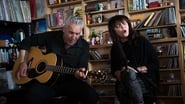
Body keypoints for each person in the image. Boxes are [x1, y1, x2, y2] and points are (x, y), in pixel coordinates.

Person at [15, 16, 98, 104]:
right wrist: (23, 62)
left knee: (92, 96)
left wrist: (80, 74)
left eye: (77, 34)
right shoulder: (51, 36)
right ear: (63, 29)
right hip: (47, 83)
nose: (73, 37)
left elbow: (82, 67)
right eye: (71, 33)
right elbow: (27, 41)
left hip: (70, 83)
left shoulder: (84, 45)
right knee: (29, 96)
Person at [108, 15, 160, 104]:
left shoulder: (141, 41)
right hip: (124, 83)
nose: (122, 27)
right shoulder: (115, 47)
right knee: (127, 75)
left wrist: (137, 69)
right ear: (114, 31)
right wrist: (119, 73)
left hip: (144, 80)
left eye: (124, 24)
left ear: (128, 25)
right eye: (118, 26)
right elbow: (114, 69)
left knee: (130, 74)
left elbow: (155, 64)